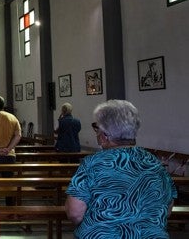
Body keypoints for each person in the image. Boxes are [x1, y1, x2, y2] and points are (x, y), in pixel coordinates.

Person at [65, 100, 177, 238]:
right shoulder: (154, 162)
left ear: (105, 136)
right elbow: (168, 206)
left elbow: (75, 213)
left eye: (97, 128)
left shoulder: (92, 163)